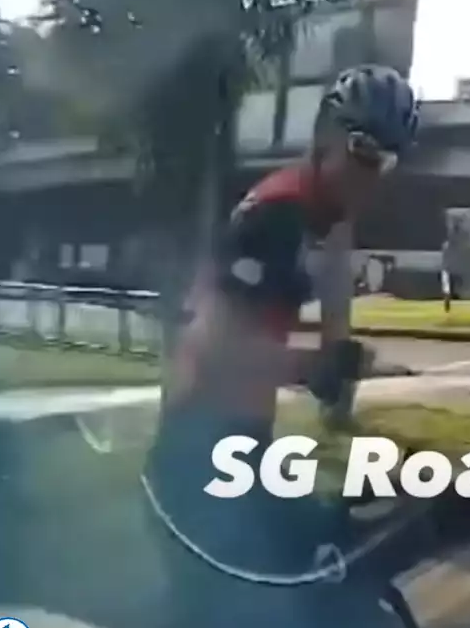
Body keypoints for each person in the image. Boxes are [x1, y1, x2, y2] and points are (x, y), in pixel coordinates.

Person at [143, 64, 420, 628]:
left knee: (323, 565)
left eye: (386, 160)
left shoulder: (311, 214)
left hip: (236, 450)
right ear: (324, 134)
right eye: (362, 149)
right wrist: (312, 366)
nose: (371, 173)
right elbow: (212, 345)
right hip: (199, 463)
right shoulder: (280, 215)